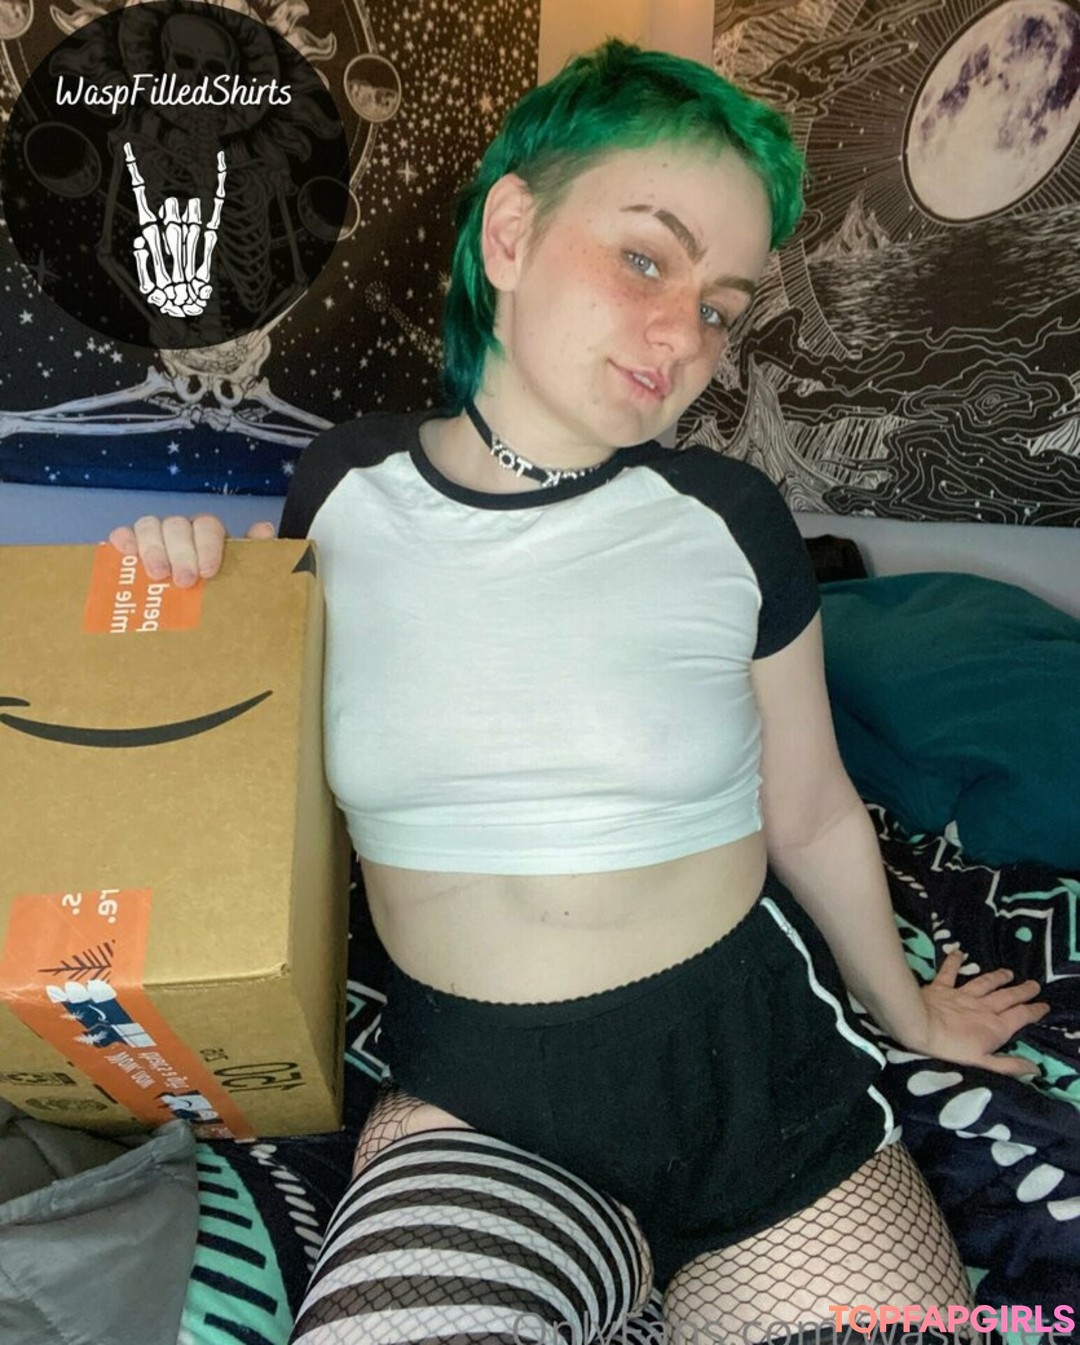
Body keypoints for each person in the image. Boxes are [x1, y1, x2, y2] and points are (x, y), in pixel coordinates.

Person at [111, 40, 1047, 1345]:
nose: (685, 337)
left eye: (722, 306)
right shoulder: (344, 492)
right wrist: (179, 601)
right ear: (511, 234)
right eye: (647, 259)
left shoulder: (731, 515)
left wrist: (909, 1011)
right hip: (483, 1106)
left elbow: (815, 809)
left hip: (756, 1086)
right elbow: (249, 778)